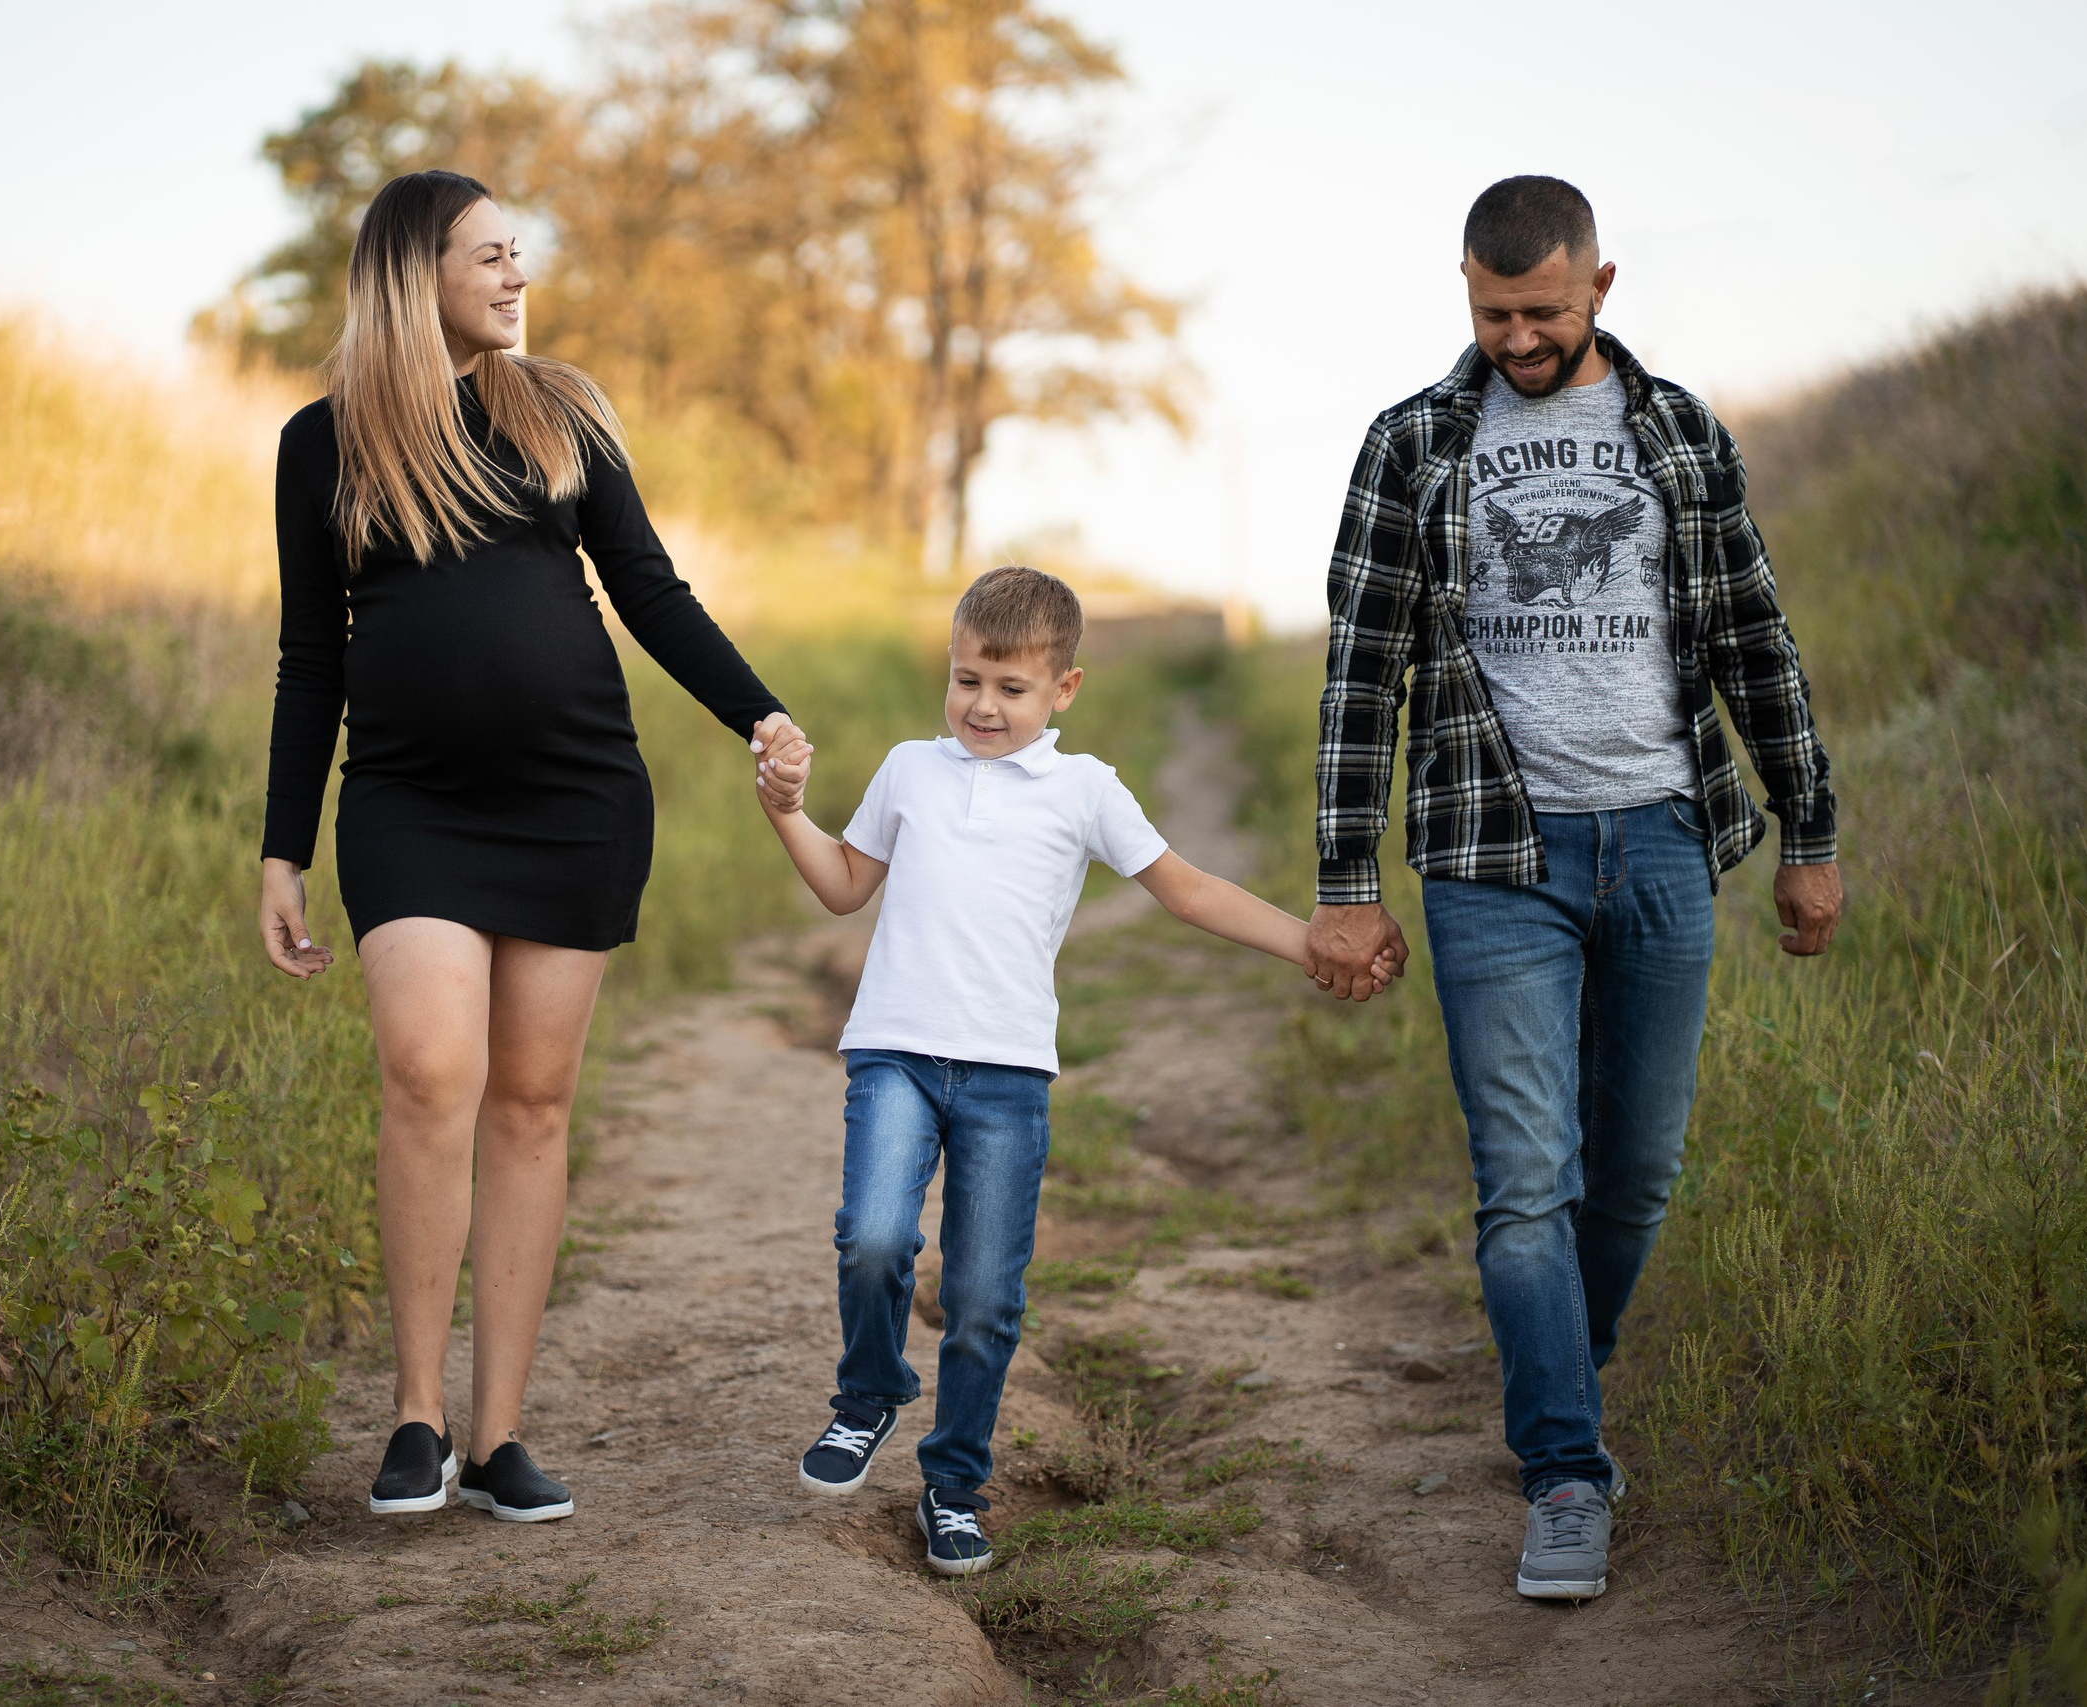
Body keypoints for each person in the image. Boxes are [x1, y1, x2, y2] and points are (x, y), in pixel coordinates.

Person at [1305, 175, 1844, 1600]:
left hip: (1665, 836)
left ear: (1601, 284)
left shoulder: (1675, 431)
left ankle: (1565, 1377)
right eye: (1493, 313)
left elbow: (1752, 633)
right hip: (1496, 858)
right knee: (1526, 1182)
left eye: (1543, 311)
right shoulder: (1413, 442)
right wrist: (1345, 878)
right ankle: (1563, 1468)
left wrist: (1809, 830)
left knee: (1640, 1171)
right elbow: (1364, 673)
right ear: (1464, 289)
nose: (1519, 337)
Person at [257, 170, 796, 1524]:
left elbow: (651, 589)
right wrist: (283, 845)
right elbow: (311, 656)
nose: (516, 278)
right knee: (432, 1068)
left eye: (520, 258)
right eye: (490, 257)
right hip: (409, 800)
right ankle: (416, 1413)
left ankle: (498, 1433)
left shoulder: (557, 414)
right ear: (412, 273)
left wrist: (761, 709)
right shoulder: (322, 444)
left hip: (571, 794)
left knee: (534, 1102)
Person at [750, 566, 1380, 1575]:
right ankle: (867, 1397)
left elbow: (1187, 892)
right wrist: (785, 809)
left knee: (987, 1296)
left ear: (1063, 690)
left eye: (1010, 689)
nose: (983, 707)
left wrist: (1308, 941)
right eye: (966, 682)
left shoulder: (1085, 791)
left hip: (1005, 1077)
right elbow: (840, 887)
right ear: (947, 672)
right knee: (871, 1238)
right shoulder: (909, 770)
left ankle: (954, 1488)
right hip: (896, 1055)